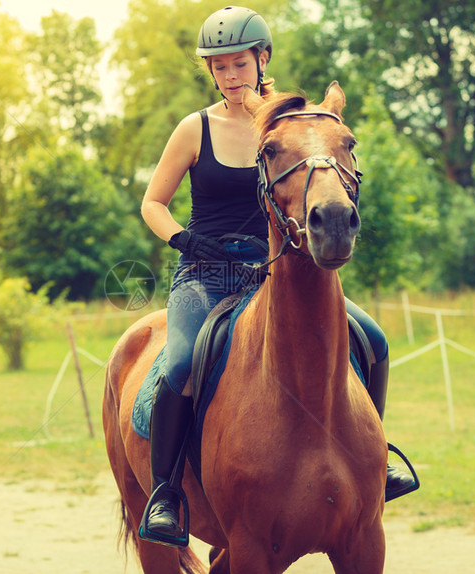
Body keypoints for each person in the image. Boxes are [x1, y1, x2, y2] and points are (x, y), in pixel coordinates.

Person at [139, 5, 415, 548]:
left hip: (282, 271)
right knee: (179, 363)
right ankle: (167, 492)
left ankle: (374, 462)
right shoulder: (195, 128)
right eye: (218, 67)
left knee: (375, 341)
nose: (230, 75)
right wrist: (183, 238)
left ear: (262, 58)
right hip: (208, 274)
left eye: (239, 63)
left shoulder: (294, 125)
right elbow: (153, 202)